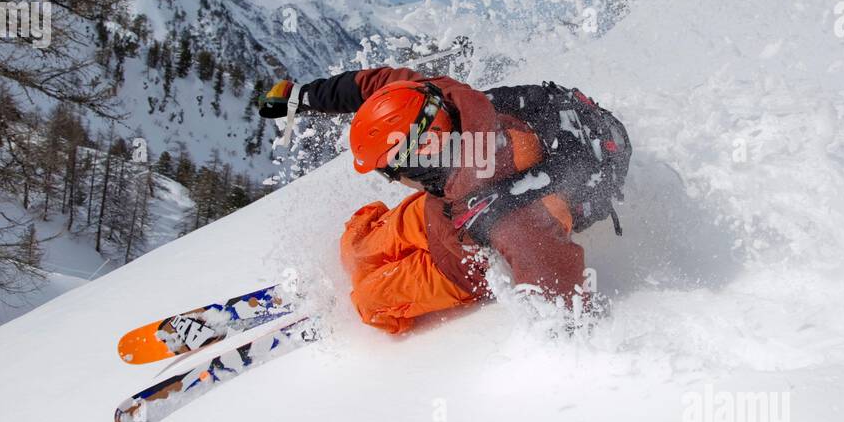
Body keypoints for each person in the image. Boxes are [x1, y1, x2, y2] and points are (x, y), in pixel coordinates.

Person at [258, 66, 630, 333]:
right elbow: (371, 85)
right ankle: (366, 265)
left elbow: (550, 269)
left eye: (391, 171)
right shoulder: (434, 99)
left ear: (421, 160)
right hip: (439, 215)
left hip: (457, 269)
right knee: (353, 247)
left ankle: (367, 294)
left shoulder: (504, 211)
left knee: (369, 300)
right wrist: (302, 97)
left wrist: (561, 329)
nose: (395, 180)